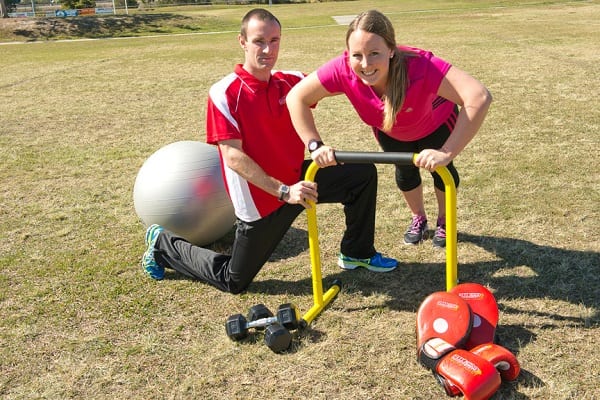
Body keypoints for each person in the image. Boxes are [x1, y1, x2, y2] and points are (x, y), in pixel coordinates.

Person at [140, 8, 397, 293]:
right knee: (233, 280)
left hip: (298, 180)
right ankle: (163, 245)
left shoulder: (290, 81)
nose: (268, 49)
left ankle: (356, 252)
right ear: (242, 42)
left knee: (360, 174)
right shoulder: (224, 93)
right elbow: (232, 157)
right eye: (259, 41)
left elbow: (342, 74)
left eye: (274, 41)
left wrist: (382, 56)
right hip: (261, 200)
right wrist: (284, 192)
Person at [287, 10, 492, 248]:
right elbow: (296, 97)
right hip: (390, 129)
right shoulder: (341, 69)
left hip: (435, 122)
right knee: (405, 172)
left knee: (441, 171)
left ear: (391, 50)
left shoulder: (420, 65)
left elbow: (479, 96)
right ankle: (419, 218)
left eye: (374, 53)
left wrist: (446, 152)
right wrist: (315, 145)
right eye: (357, 55)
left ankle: (445, 221)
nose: (365, 64)